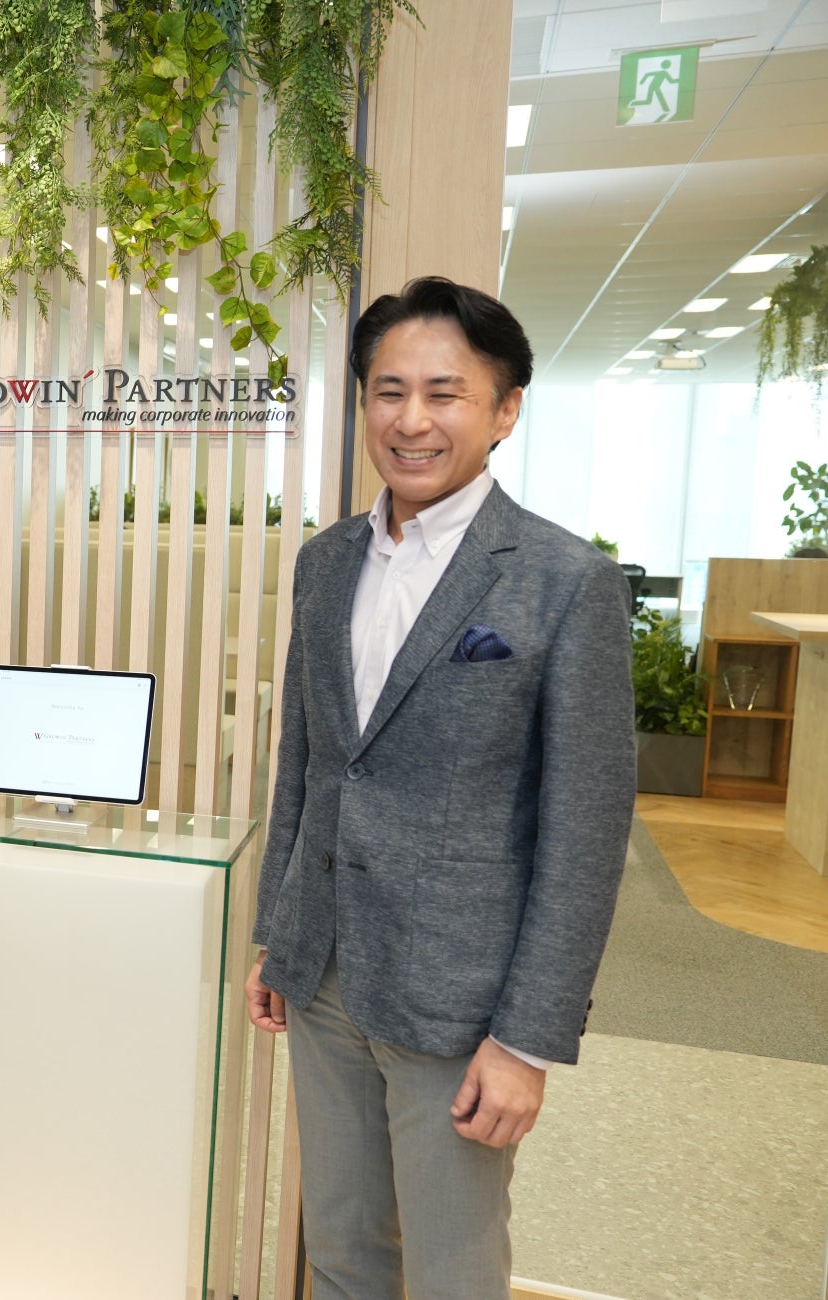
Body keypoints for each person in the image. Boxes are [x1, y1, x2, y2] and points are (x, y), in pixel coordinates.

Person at [245, 276, 634, 1299]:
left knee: (454, 1273)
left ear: (504, 411)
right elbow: (310, 761)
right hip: (324, 974)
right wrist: (278, 934)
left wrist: (527, 1040)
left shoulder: (565, 581)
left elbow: (585, 834)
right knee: (341, 1254)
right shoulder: (326, 562)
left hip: (461, 1004)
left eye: (444, 392)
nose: (411, 419)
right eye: (389, 390)